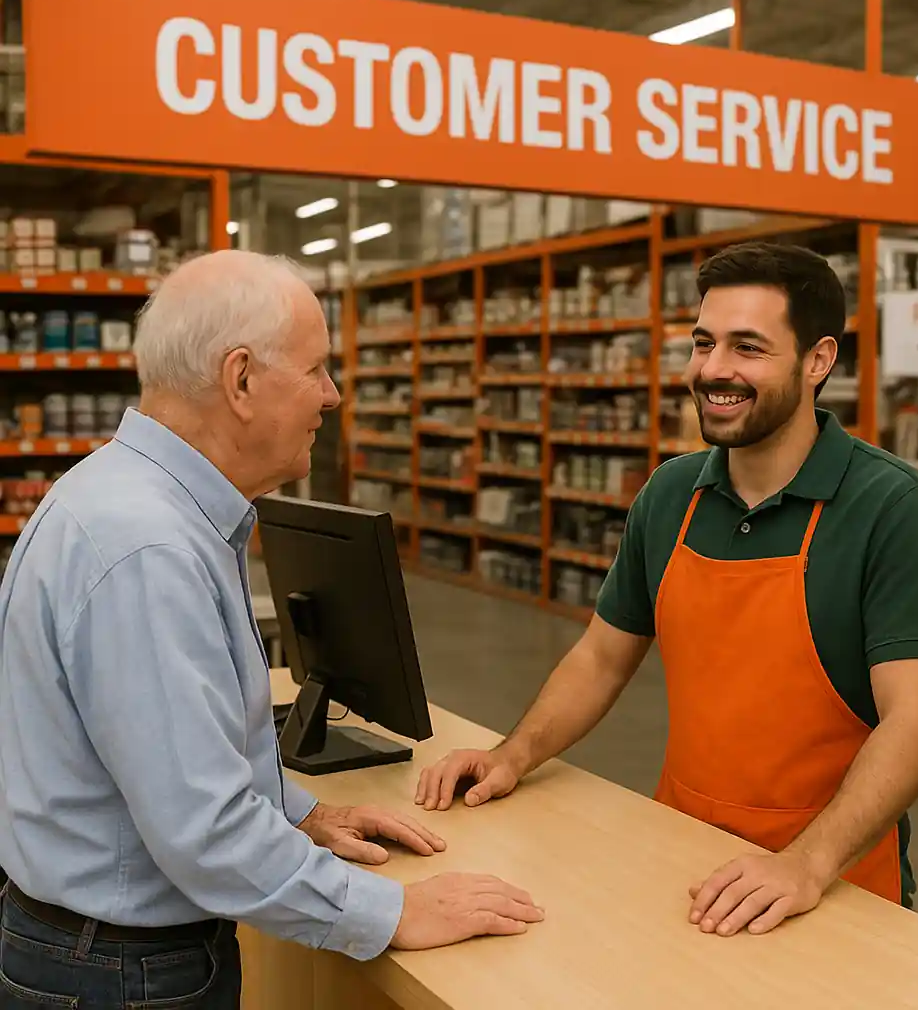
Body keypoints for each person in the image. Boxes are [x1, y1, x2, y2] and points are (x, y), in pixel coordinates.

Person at [0, 250, 542, 1009]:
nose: (334, 395)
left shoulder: (142, 502)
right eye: (317, 369)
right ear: (242, 380)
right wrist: (392, 912)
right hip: (120, 975)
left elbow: (175, 759)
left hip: (104, 954)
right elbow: (204, 834)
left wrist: (302, 813)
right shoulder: (146, 549)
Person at [417, 241, 918, 937]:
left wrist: (804, 865)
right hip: (680, 857)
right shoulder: (673, 493)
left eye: (748, 348)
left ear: (819, 361)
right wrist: (510, 755)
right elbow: (600, 658)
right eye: (703, 343)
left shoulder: (893, 508)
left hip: (832, 885)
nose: (712, 370)